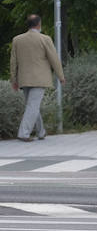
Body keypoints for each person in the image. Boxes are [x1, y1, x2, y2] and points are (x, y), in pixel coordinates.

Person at [9, 14, 64, 142]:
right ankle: (24, 133)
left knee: (31, 105)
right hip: (40, 79)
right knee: (33, 106)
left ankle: (41, 132)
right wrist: (60, 76)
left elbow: (13, 61)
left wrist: (14, 79)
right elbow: (54, 59)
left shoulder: (17, 39)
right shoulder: (45, 39)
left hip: (24, 79)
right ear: (39, 24)